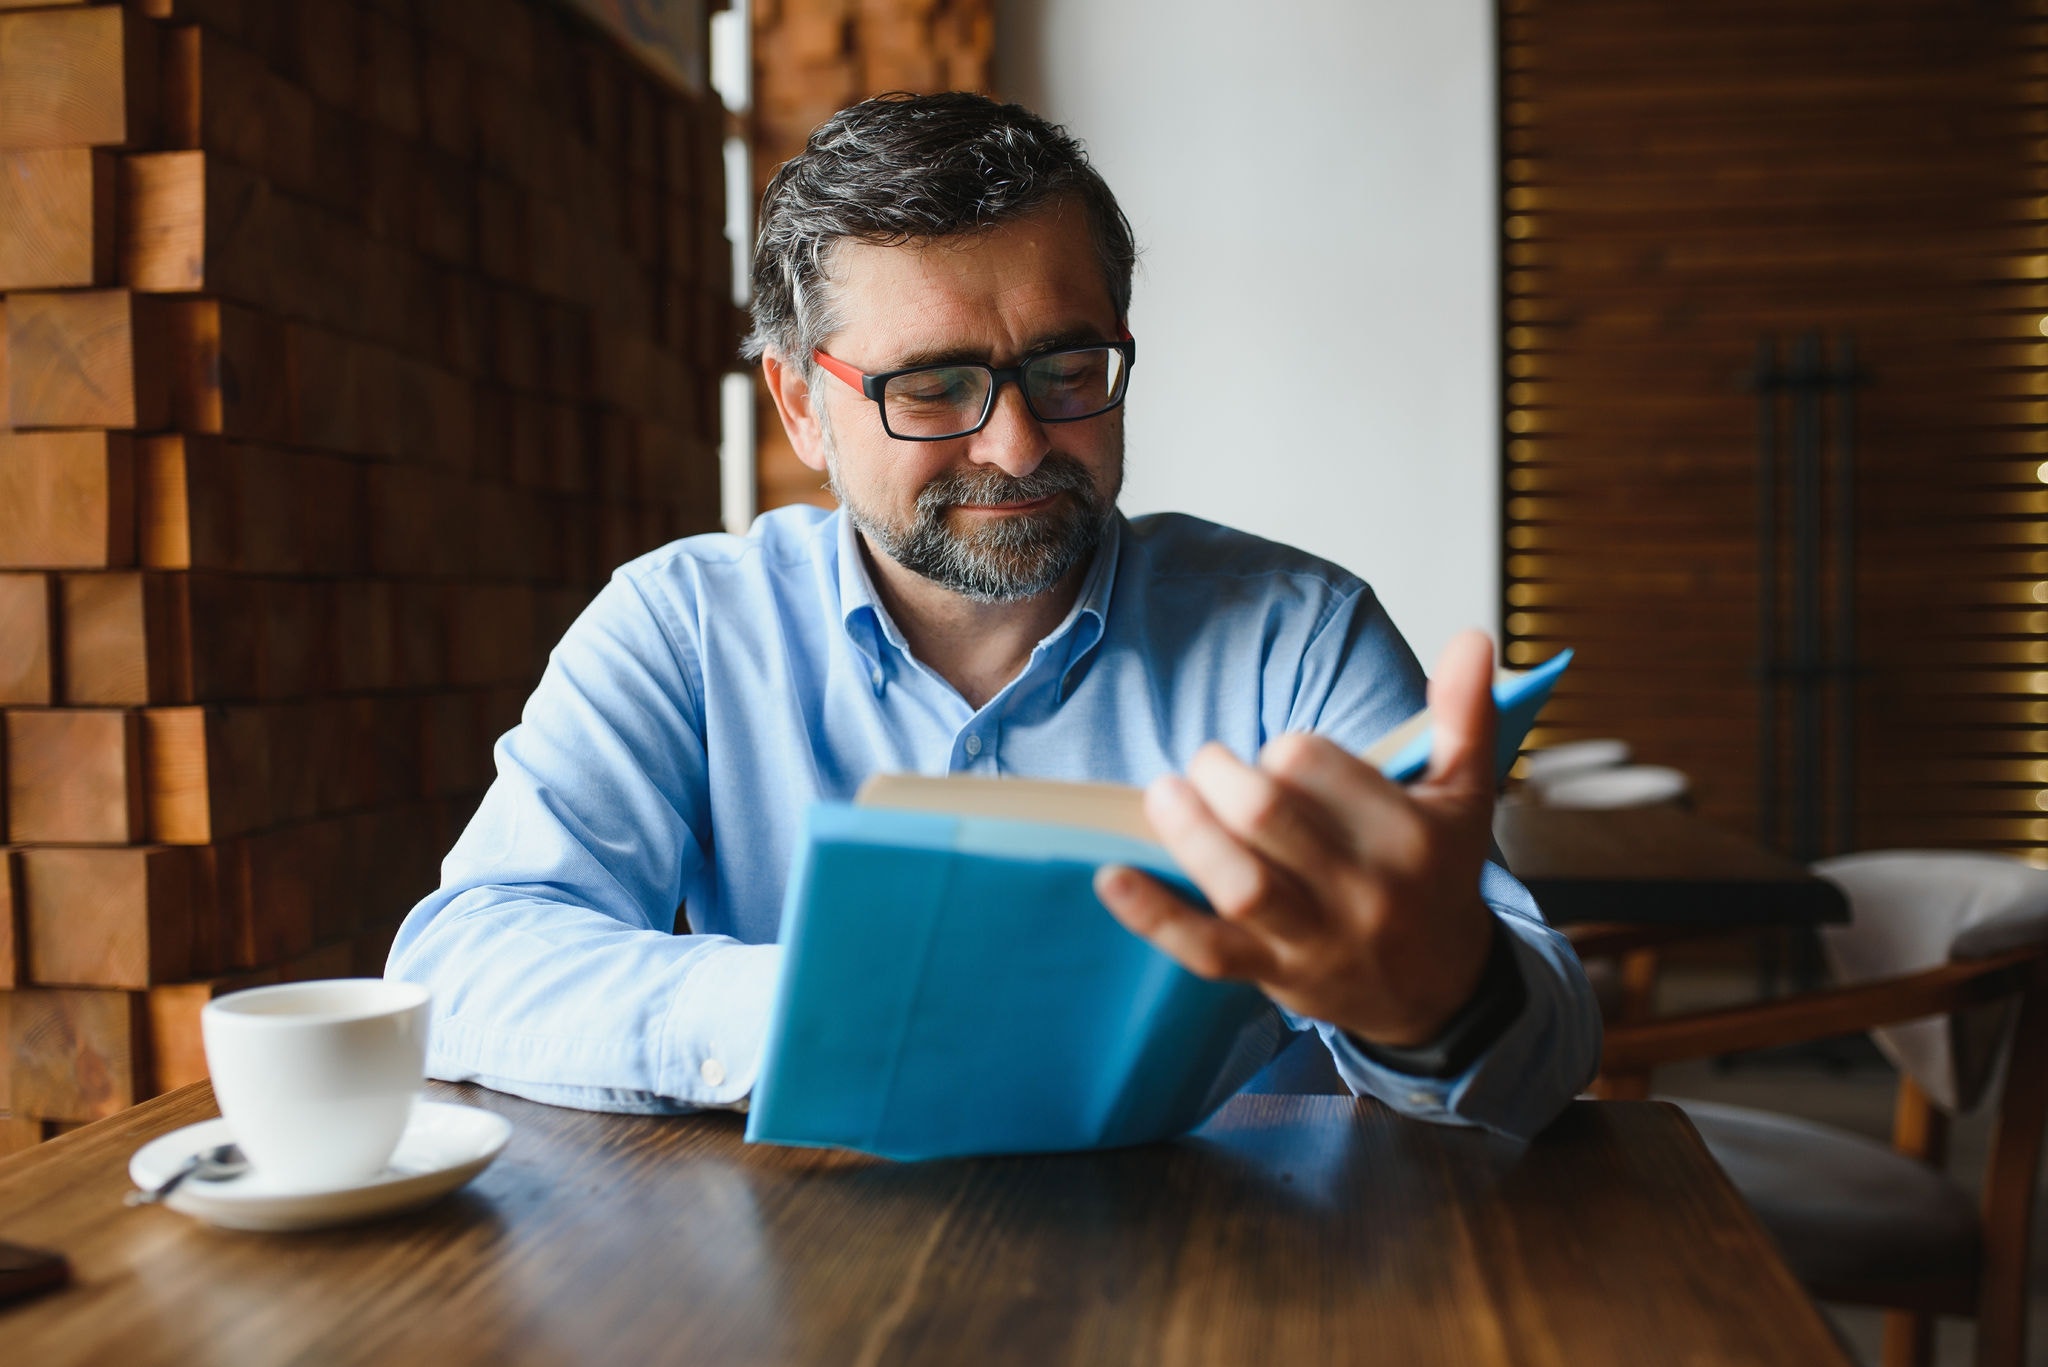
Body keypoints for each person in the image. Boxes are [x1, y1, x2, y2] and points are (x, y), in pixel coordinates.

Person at [388, 92, 1600, 1140]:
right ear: (800, 405)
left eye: (1066, 369)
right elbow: (467, 958)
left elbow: (1547, 1054)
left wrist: (1439, 996)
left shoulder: (1296, 634)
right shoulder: (682, 627)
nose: (1016, 442)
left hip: (1241, 1257)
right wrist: (837, 1006)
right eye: (933, 385)